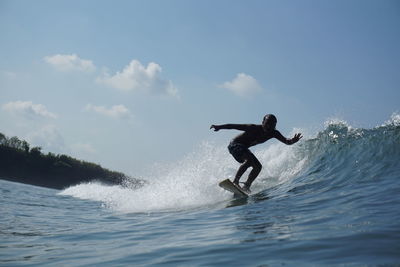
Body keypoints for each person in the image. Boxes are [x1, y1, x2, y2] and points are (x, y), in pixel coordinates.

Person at [210, 114, 302, 193]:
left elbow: (286, 141)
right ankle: (235, 182)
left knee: (258, 167)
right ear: (262, 123)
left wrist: (292, 141)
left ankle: (246, 186)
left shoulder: (274, 133)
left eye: (271, 126)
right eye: (267, 124)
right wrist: (219, 127)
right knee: (249, 160)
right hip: (234, 145)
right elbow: (233, 126)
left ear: (275, 126)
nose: (268, 127)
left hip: (244, 149)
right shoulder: (252, 128)